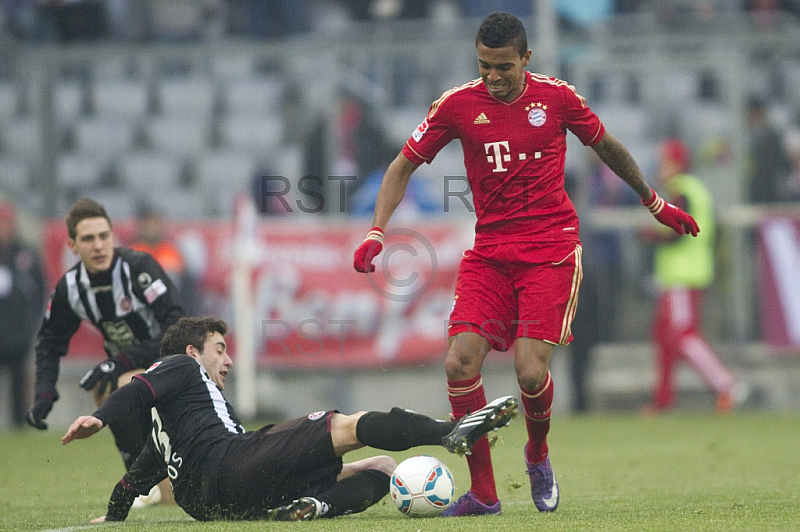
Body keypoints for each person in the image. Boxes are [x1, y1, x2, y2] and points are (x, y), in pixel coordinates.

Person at [353, 12, 699, 515]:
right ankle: (484, 494)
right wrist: (377, 229)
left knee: (529, 373)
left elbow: (607, 147)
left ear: (527, 60)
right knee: (459, 362)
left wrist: (654, 203)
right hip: (491, 251)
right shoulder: (456, 105)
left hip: (551, 249)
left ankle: (537, 453)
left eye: (504, 67)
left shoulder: (557, 98)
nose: (493, 77)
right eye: (484, 65)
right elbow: (402, 164)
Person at [61, 316, 519, 522]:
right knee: (345, 425)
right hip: (236, 464)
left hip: (227, 505)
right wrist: (99, 419)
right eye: (220, 349)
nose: (228, 361)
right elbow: (136, 389)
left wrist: (111, 519)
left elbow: (130, 486)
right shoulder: (182, 367)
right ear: (192, 353)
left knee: (382, 469)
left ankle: (317, 506)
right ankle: (449, 432)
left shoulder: (166, 438)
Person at [26, 197, 184, 502]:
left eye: (104, 236)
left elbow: (176, 326)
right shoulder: (70, 288)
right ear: (72, 245)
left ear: (113, 237)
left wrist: (120, 361)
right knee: (110, 386)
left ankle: (154, 485)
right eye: (88, 239)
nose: (98, 245)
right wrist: (45, 392)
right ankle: (145, 484)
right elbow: (49, 342)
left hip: (175, 364)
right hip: (130, 371)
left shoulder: (139, 269)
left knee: (123, 385)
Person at [640, 139, 741, 414]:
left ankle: (725, 385)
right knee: (665, 337)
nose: (659, 167)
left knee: (683, 336)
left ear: (676, 163)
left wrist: (651, 235)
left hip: (682, 276)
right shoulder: (690, 190)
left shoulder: (682, 191)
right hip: (680, 275)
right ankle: (663, 399)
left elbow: (678, 231)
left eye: (664, 161)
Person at [0, 202, 45, 428]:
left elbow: (40, 289)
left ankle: (19, 424)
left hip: (19, 334)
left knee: (20, 381)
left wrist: (33, 324)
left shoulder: (25, 254)